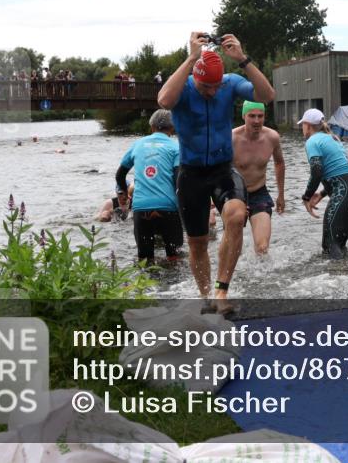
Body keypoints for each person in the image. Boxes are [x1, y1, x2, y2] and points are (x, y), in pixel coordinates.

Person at [157, 32, 274, 311]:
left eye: (216, 86)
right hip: (191, 173)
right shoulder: (183, 88)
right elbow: (163, 100)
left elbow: (267, 96)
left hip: (223, 168)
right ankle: (206, 295)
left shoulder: (229, 84)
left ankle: (221, 291)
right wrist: (191, 57)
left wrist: (242, 59)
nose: (212, 91)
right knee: (197, 243)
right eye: (206, 86)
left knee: (235, 215)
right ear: (195, 77)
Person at [114, 110, 182, 263]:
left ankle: (145, 286)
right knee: (174, 257)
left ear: (151, 127)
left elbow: (120, 175)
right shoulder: (176, 147)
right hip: (168, 207)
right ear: (172, 129)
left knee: (144, 260)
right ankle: (176, 284)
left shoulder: (137, 144)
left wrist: (124, 194)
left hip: (141, 207)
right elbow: (179, 180)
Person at [298, 109, 348, 259]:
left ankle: (336, 280)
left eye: (303, 125)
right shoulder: (333, 138)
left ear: (307, 126)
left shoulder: (312, 141)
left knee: (330, 246)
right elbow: (341, 173)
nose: (303, 128)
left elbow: (316, 171)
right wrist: (322, 194)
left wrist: (306, 196)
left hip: (344, 194)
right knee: (339, 245)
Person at [231, 101, 285, 256]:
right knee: (234, 249)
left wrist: (281, 194)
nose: (256, 121)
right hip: (235, 195)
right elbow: (218, 168)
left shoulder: (272, 137)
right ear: (243, 116)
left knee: (262, 248)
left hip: (259, 192)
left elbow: (279, 163)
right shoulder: (231, 138)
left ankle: (261, 279)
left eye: (260, 116)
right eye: (252, 116)